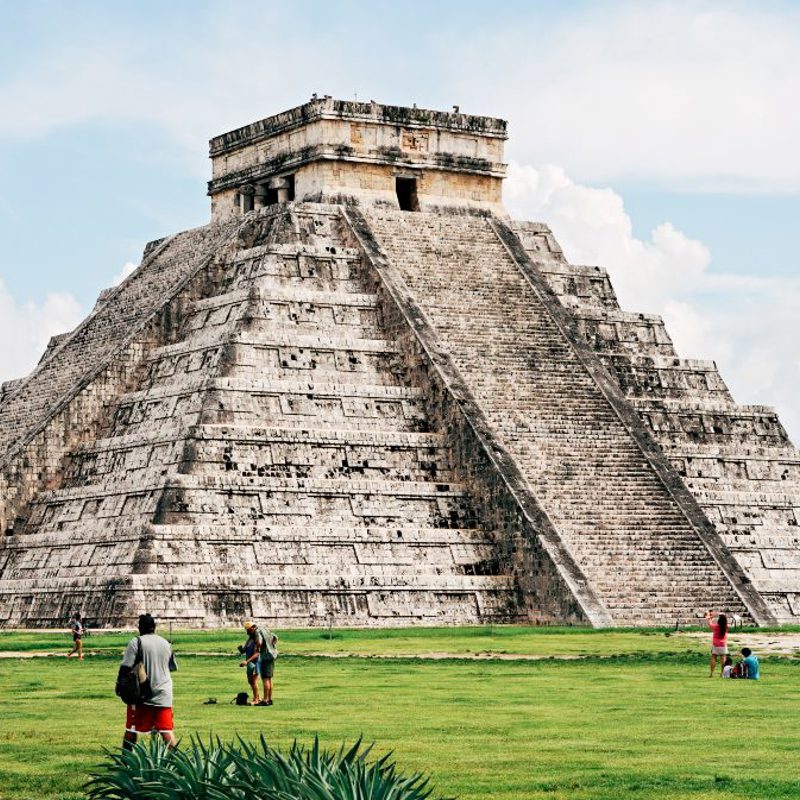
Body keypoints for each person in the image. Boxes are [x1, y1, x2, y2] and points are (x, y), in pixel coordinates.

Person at [118, 613, 178, 750]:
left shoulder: (137, 642)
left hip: (142, 693)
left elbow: (126, 667)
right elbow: (171, 667)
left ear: (140, 627)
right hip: (164, 693)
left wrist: (119, 685)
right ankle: (177, 763)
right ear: (154, 627)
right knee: (166, 730)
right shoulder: (166, 643)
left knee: (132, 728)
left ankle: (125, 762)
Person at [244, 621, 278, 706]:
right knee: (269, 678)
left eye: (248, 630)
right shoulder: (264, 629)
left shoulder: (257, 632)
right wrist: (272, 646)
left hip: (266, 656)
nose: (247, 632)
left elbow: (259, 642)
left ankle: (265, 700)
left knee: (265, 678)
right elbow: (275, 637)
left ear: (252, 628)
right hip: (272, 655)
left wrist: (257, 649)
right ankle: (269, 699)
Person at [239, 626, 261, 705]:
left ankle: (256, 699)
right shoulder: (249, 639)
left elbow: (257, 654)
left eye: (248, 630)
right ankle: (257, 697)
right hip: (249, 663)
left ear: (252, 630)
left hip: (255, 663)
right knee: (250, 681)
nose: (247, 631)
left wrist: (246, 661)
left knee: (253, 681)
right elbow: (244, 650)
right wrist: (241, 649)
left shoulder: (256, 641)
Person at [704, 610, 728, 677]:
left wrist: (709, 618)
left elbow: (710, 625)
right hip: (723, 644)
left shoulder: (716, 627)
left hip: (715, 644)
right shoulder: (725, 627)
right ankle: (722, 673)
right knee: (723, 659)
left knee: (713, 657)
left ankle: (711, 673)